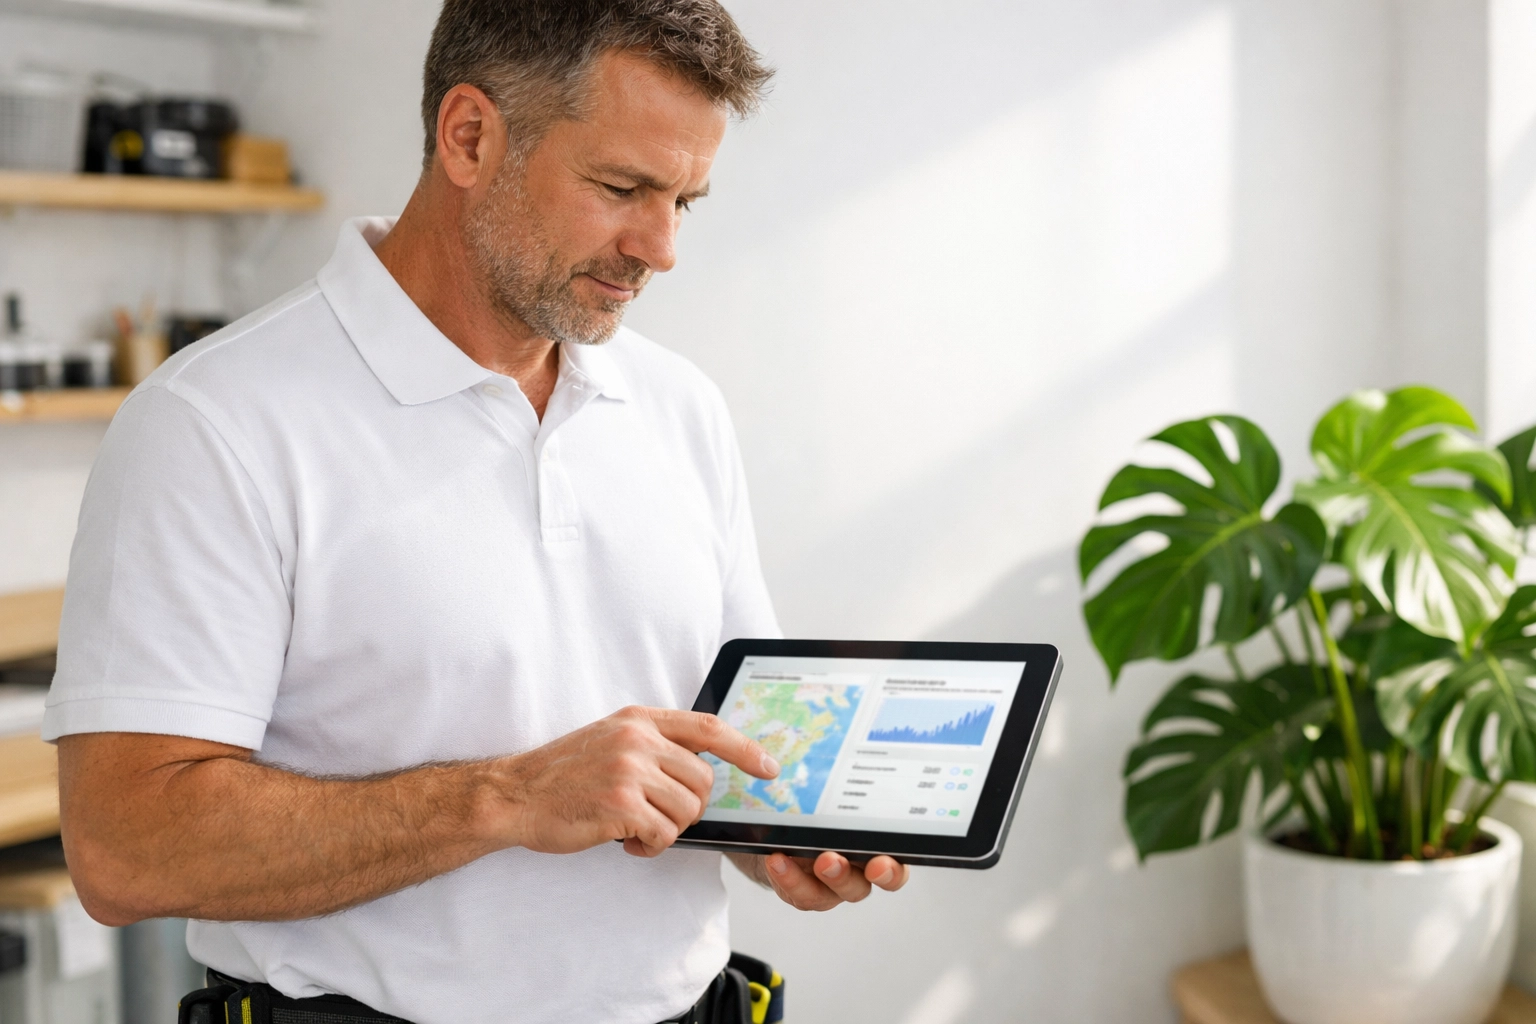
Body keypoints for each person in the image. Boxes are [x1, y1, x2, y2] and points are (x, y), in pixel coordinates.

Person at [44, 2, 908, 1023]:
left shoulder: (682, 409)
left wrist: (783, 840)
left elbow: (726, 744)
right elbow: (123, 848)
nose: (662, 246)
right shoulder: (216, 422)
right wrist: (507, 796)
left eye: (686, 200)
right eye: (622, 187)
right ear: (469, 136)